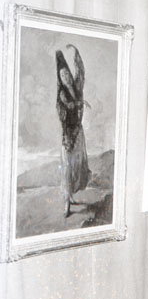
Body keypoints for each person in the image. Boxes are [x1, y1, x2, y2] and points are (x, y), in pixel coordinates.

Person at [56, 44, 91, 217]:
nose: (66, 77)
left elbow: (81, 74)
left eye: (67, 74)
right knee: (67, 168)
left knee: (77, 167)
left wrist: (76, 53)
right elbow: (68, 107)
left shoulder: (77, 88)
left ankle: (71, 196)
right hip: (68, 137)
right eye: (63, 76)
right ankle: (66, 204)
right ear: (61, 79)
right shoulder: (62, 94)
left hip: (78, 134)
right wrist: (80, 103)